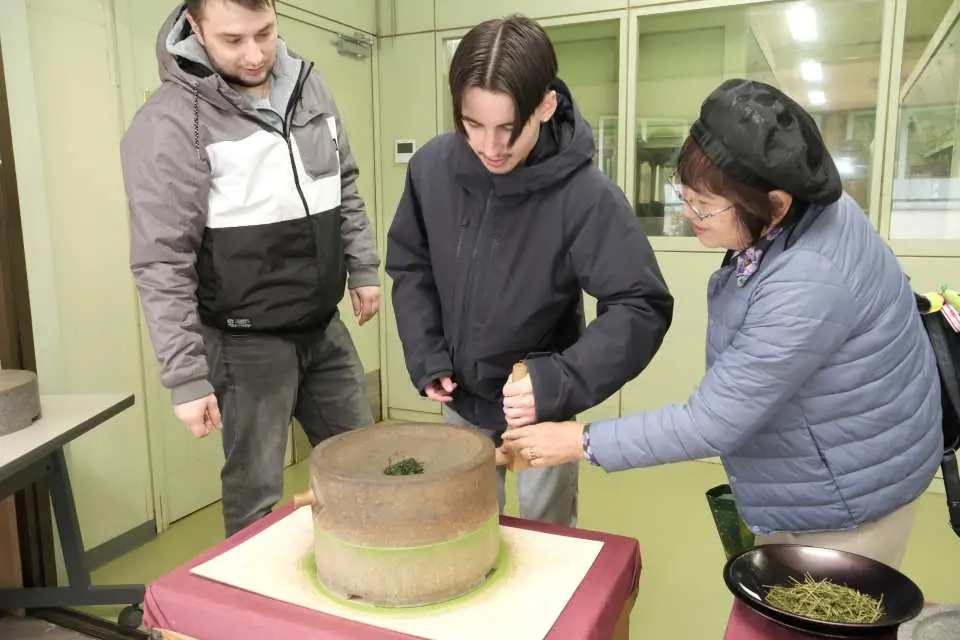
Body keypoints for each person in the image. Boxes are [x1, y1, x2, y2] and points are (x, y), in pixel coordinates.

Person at [501, 78, 944, 568]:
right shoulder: (807, 213)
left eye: (705, 207)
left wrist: (579, 441)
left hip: (848, 497)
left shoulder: (808, 280)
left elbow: (710, 422)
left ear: (775, 204)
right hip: (838, 457)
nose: (689, 214)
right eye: (685, 195)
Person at [384, 15, 674, 527]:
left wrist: (558, 380)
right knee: (464, 530)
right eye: (472, 125)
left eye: (508, 128)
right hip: (461, 400)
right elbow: (412, 263)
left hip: (540, 406)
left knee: (549, 541)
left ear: (545, 105)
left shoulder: (583, 196)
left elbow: (640, 304)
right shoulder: (431, 169)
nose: (491, 147)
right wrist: (427, 353)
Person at [119, 0, 381, 537]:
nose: (256, 53)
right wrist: (186, 378)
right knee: (255, 495)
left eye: (265, 32)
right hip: (245, 344)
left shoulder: (308, 83)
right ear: (194, 27)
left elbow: (342, 183)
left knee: (367, 467)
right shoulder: (171, 122)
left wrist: (363, 266)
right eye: (234, 40)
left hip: (322, 326)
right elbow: (161, 260)